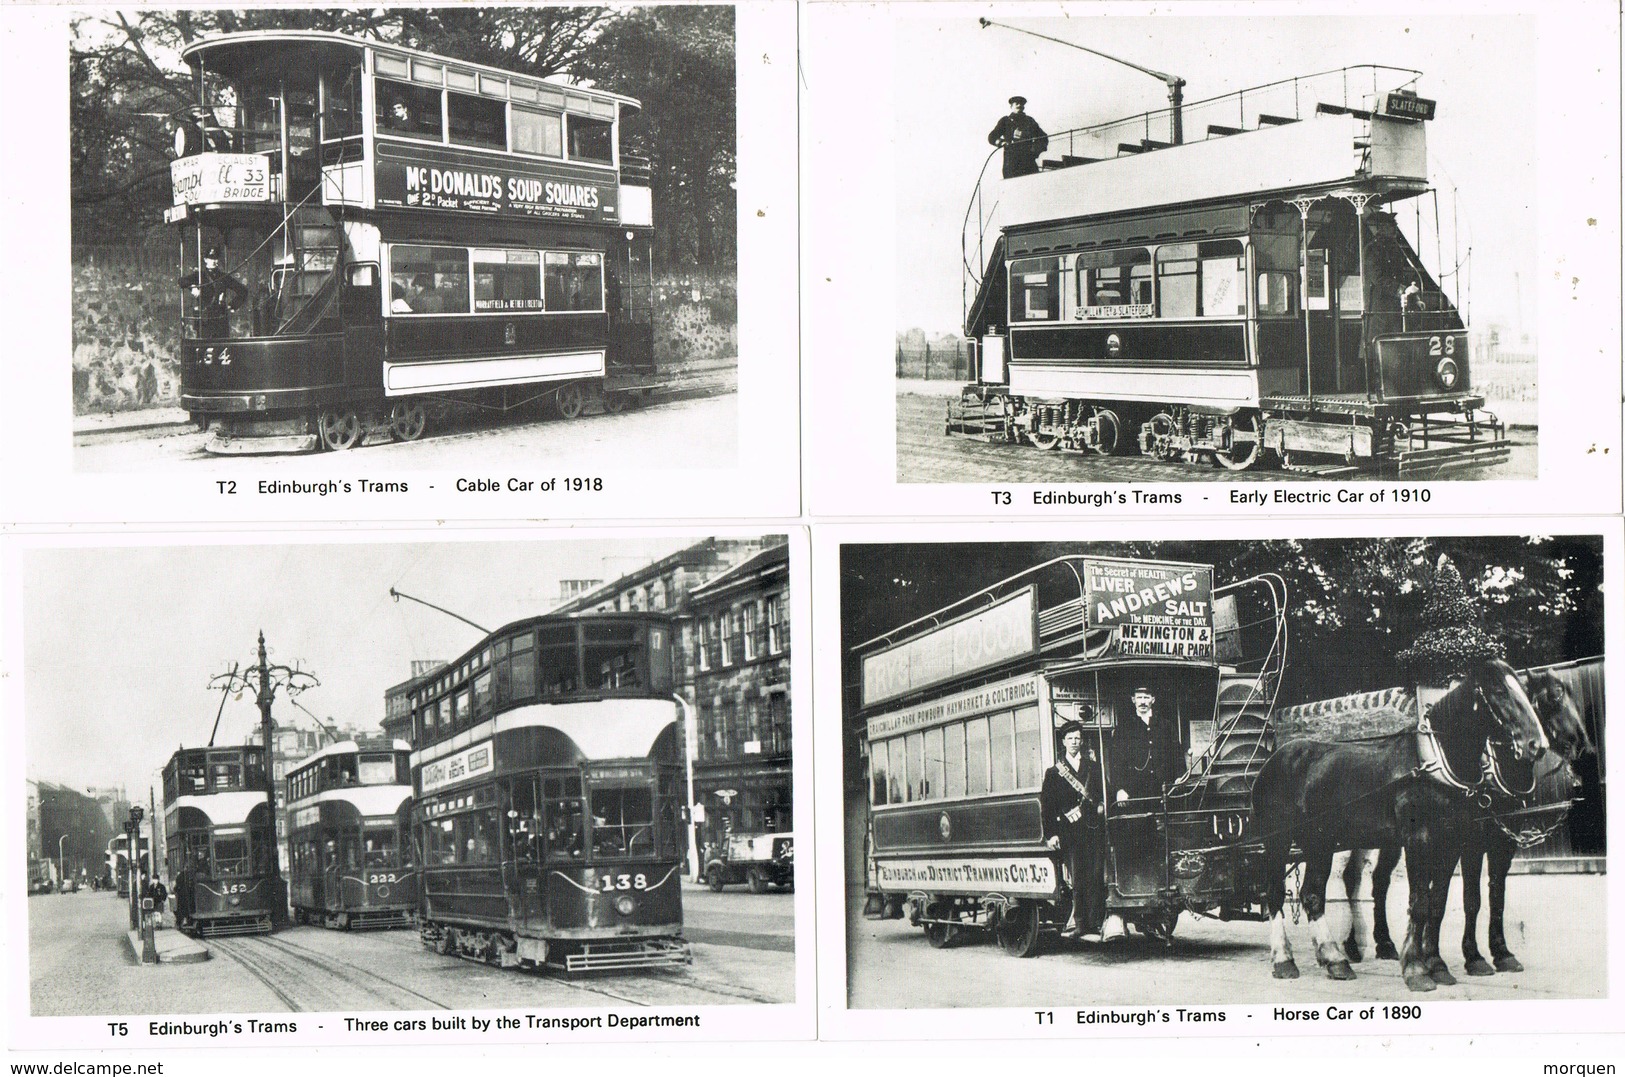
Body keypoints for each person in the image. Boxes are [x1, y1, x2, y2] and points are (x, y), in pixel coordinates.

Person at [1040, 719, 1106, 941]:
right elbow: (1047, 806)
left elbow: (1102, 794)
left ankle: (1096, 922)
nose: (1074, 742)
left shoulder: (1093, 767)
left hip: (1093, 829)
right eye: (1070, 738)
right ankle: (1079, 924)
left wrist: (1100, 805)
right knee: (1078, 878)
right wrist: (1051, 834)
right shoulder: (1054, 772)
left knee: (1096, 876)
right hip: (1070, 833)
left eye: (1077, 738)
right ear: (1063, 741)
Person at [1110, 685, 1185, 804]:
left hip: (1164, 790)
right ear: (1133, 700)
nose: (1143, 702)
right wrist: (1120, 789)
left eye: (1146, 697)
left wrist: (1179, 776)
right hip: (1134, 792)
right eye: (1139, 697)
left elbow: (1177, 753)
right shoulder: (1124, 728)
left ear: (1153, 700)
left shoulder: (1165, 725)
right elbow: (1116, 761)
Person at [180, 246, 248, 338]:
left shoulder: (224, 277)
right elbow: (181, 281)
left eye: (215, 258)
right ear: (205, 260)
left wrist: (232, 306)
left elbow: (243, 291)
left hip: (220, 319)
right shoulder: (199, 276)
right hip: (204, 321)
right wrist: (192, 287)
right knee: (204, 348)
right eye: (211, 258)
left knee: (222, 348)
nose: (214, 261)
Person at [987, 95, 1048, 178]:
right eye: (1017, 103)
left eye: (1021, 104)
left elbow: (1043, 137)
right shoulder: (1005, 121)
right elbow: (992, 137)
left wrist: (1035, 151)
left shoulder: (1029, 121)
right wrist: (1002, 142)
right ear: (1011, 106)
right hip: (1011, 162)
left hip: (1028, 160)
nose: (1019, 105)